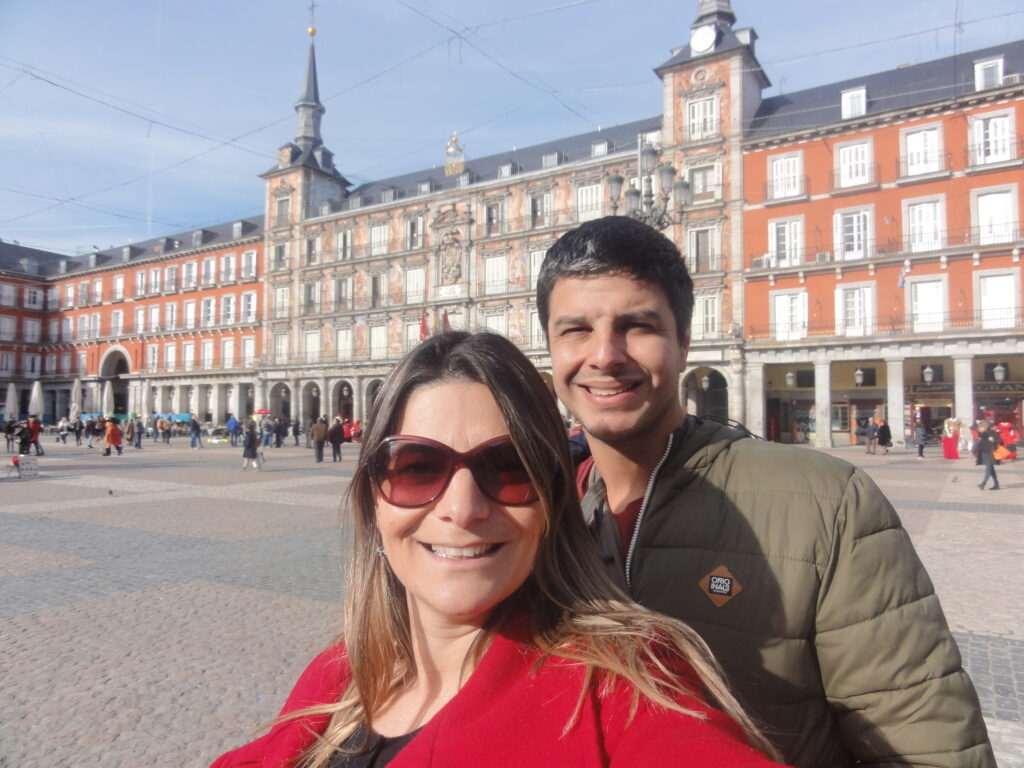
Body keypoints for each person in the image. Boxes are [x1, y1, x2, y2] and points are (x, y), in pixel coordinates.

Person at [536, 216, 993, 767]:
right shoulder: (536, 515)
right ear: (551, 349)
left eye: (637, 325)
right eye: (576, 330)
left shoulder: (827, 504)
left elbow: (926, 746)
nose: (605, 355)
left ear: (683, 342)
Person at [211, 332, 782, 768]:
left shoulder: (621, 693)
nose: (462, 508)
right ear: (372, 502)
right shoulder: (338, 675)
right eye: (417, 467)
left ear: (552, 501)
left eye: (506, 468)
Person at [974, 420, 1002, 491]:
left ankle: (983, 483)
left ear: (985, 427)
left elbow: (1000, 441)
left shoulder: (992, 433)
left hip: (991, 453)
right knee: (991, 469)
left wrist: (993, 440)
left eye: (981, 427)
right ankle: (996, 484)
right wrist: (975, 450)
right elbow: (980, 443)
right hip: (984, 453)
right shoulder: (982, 434)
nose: (979, 428)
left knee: (988, 468)